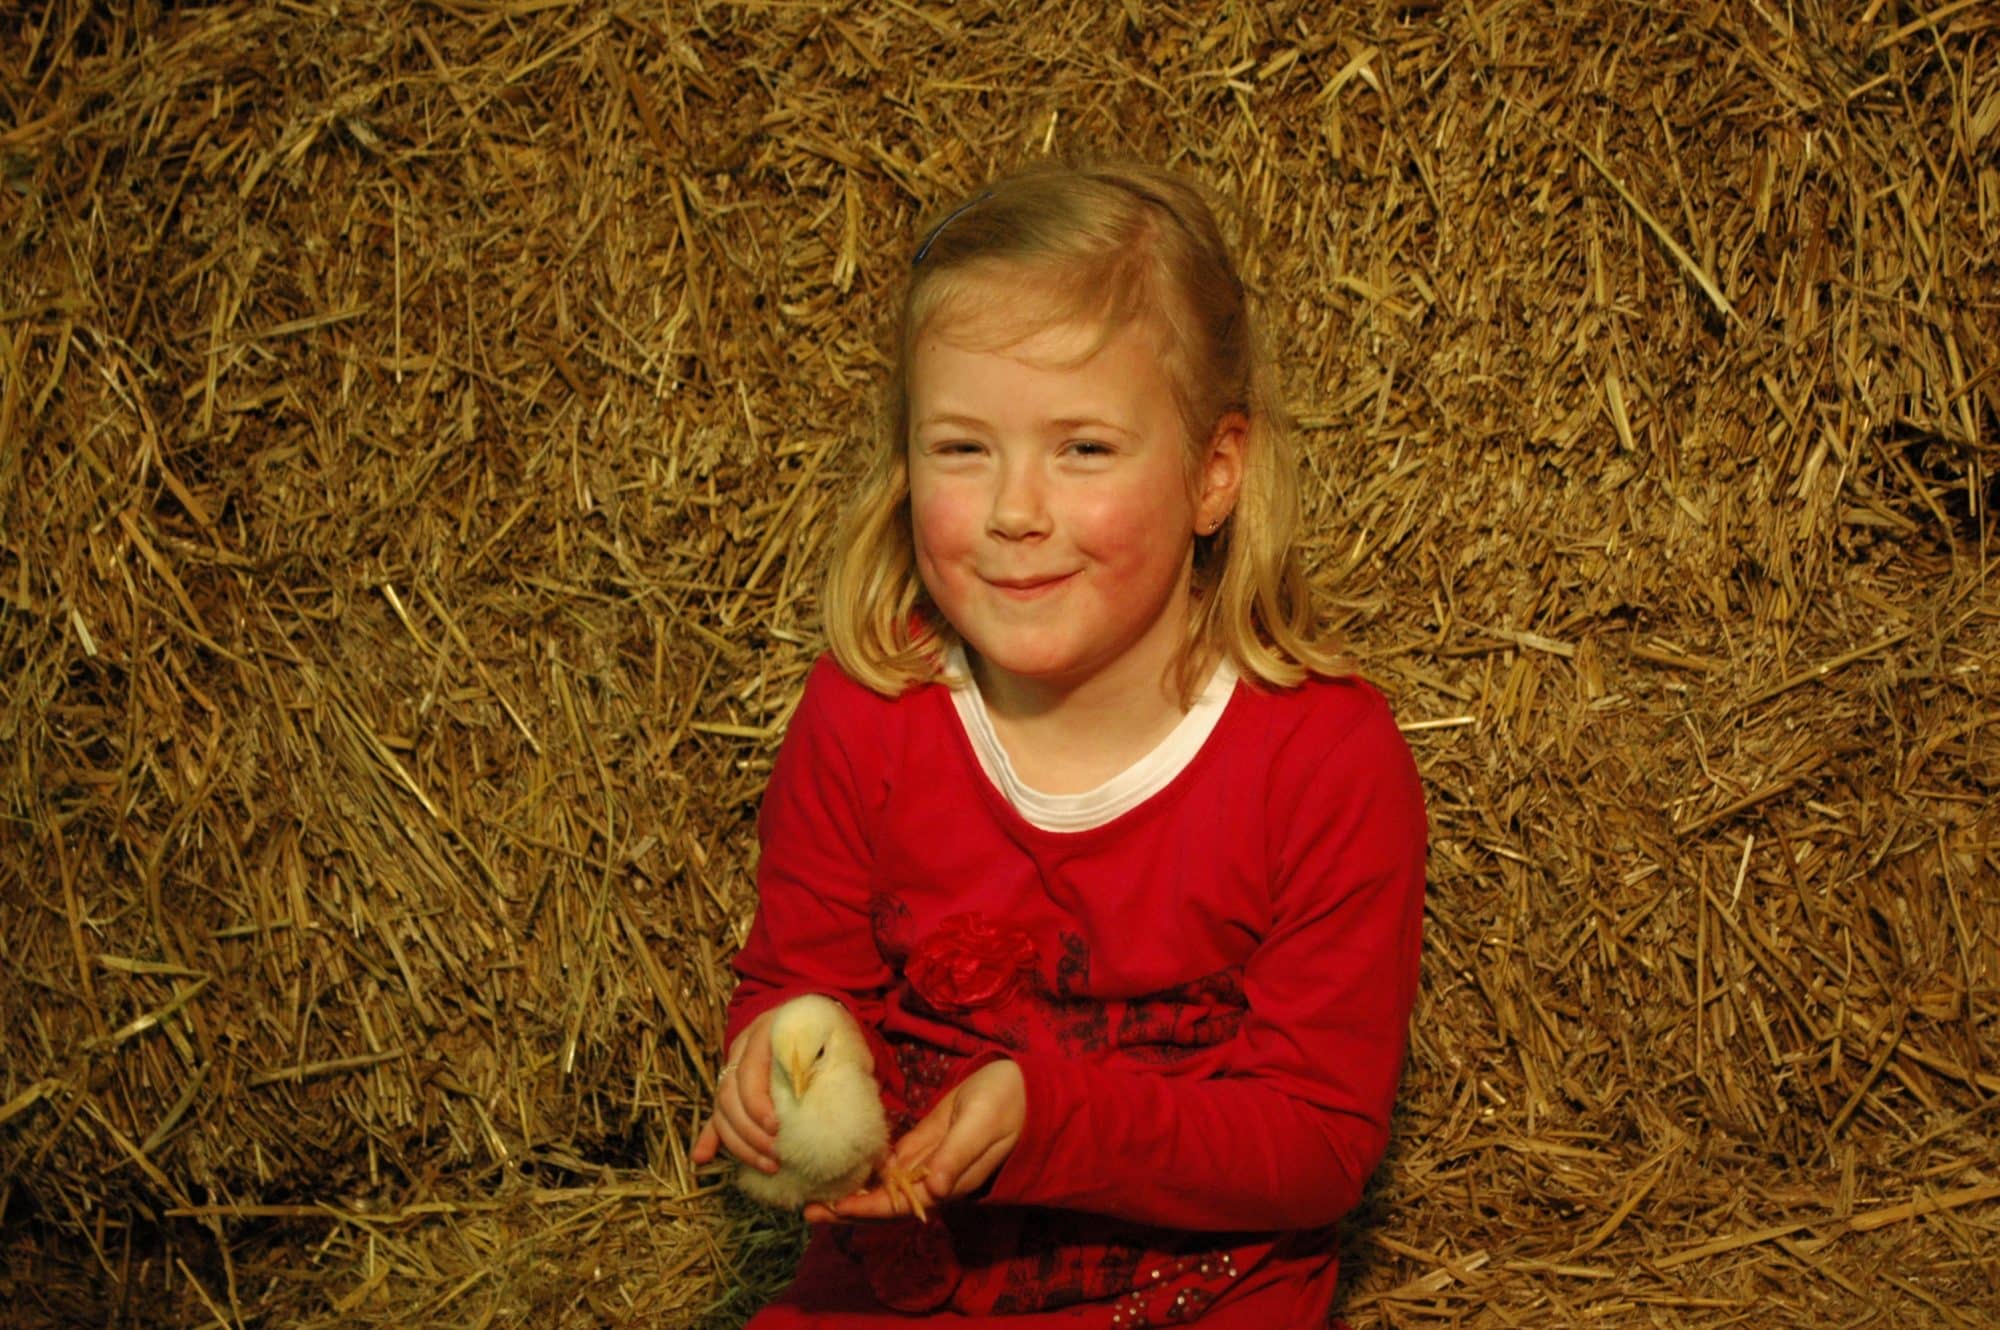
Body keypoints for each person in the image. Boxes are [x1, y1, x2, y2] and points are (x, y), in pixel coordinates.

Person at [691, 162, 1428, 1328]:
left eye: (1082, 448)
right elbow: (797, 983)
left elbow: (1317, 1137)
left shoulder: (1323, 762)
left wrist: (1050, 1121)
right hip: (893, 1296)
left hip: (1195, 1303)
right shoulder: (865, 711)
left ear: (1212, 473)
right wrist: (770, 1072)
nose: (1013, 511)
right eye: (960, 448)